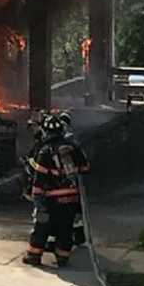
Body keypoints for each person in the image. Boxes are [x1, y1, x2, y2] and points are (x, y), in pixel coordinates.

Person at [23, 113, 90, 267]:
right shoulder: (73, 147)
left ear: (46, 131)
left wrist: (37, 198)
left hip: (50, 199)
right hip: (71, 199)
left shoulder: (45, 151)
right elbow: (86, 168)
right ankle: (62, 258)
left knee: (41, 227)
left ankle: (34, 256)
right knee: (65, 229)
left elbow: (39, 177)